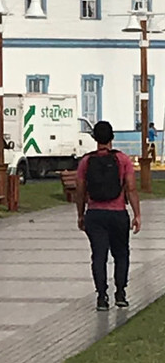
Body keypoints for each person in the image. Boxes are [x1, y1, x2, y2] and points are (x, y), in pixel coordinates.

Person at [75, 120, 141, 311]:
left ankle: (101, 296)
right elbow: (131, 188)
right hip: (118, 214)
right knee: (121, 254)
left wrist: (81, 215)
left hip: (95, 214)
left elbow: (80, 191)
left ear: (95, 138)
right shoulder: (122, 160)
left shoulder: (86, 161)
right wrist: (137, 214)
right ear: (112, 137)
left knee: (99, 256)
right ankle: (120, 293)